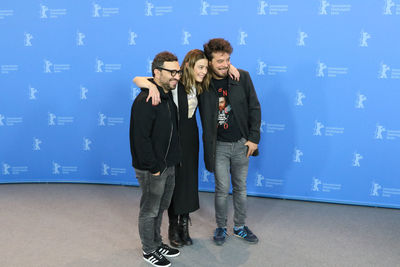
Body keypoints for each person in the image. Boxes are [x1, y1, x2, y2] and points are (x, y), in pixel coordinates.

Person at [133, 49, 240, 248]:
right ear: (187, 67)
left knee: (188, 182)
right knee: (175, 182)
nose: (203, 71)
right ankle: (173, 227)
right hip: (174, 136)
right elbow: (139, 78)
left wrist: (229, 67)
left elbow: (219, 72)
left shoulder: (201, 84)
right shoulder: (175, 82)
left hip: (191, 136)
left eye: (205, 68)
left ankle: (184, 224)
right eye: (200, 67)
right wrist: (149, 85)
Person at [198, 38, 261, 246]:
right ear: (208, 63)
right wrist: (145, 83)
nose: (225, 64)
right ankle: (221, 227)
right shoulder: (202, 82)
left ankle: (240, 227)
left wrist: (253, 139)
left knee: (240, 188)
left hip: (242, 144)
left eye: (228, 60)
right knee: (222, 189)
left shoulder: (241, 77)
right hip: (219, 147)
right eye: (220, 61)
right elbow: (181, 70)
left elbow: (254, 107)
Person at [129, 51, 182, 267]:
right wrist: (154, 168)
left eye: (177, 72)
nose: (176, 76)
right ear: (156, 73)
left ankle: (157, 242)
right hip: (153, 169)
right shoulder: (146, 100)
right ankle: (148, 250)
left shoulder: (167, 95)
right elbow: (140, 139)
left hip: (168, 165)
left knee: (160, 208)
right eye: (172, 72)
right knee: (149, 210)